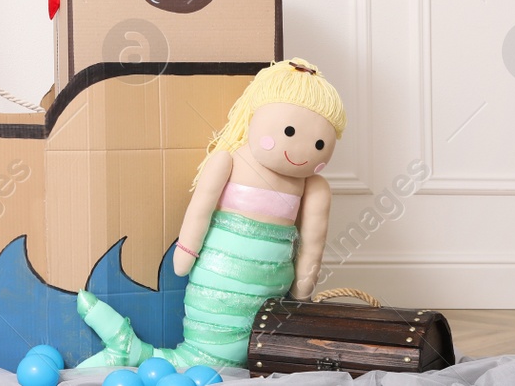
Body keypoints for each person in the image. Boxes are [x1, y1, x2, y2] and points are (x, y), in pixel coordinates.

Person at [75, 58, 345, 370]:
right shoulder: (228, 160)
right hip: (218, 280)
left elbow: (314, 243)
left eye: (319, 143)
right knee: (209, 352)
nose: (302, 151)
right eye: (288, 131)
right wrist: (186, 250)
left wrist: (304, 283)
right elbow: (200, 209)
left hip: (270, 297)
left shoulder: (314, 187)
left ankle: (138, 353)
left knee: (247, 348)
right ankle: (137, 352)